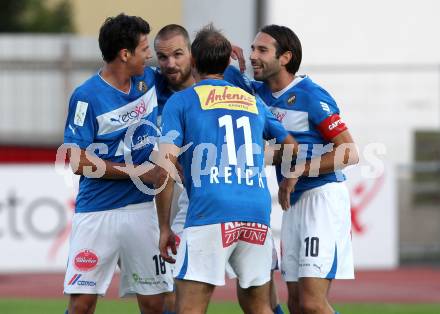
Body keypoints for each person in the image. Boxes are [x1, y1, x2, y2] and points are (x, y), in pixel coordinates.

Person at [155, 24, 296, 314]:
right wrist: (254, 157)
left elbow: (165, 166)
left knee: (189, 307)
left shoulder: (181, 101)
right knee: (261, 307)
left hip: (210, 211)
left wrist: (164, 227)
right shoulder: (252, 101)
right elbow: (291, 146)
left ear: (193, 61)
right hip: (256, 213)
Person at [62, 14, 173, 314]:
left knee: (155, 303)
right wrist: (137, 173)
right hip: (97, 213)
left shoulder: (150, 81)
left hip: (142, 212)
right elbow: (76, 160)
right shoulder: (86, 97)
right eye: (144, 48)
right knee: (82, 305)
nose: (150, 55)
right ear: (125, 54)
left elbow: (187, 77)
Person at [248, 25, 359, 314]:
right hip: (293, 205)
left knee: (311, 303)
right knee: (297, 305)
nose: (253, 56)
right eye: (251, 49)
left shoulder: (311, 95)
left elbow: (349, 151)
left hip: (321, 199)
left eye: (262, 50)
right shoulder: (258, 95)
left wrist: (298, 170)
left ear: (285, 58)